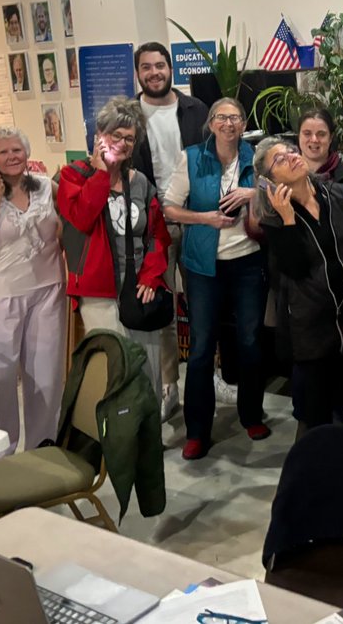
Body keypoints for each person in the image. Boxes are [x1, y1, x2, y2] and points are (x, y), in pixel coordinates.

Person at [162, 98, 269, 459]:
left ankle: (252, 414)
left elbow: (276, 193)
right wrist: (206, 218)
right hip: (203, 267)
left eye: (236, 117)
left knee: (251, 341)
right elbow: (170, 208)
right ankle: (197, 430)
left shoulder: (256, 157)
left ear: (243, 124)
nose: (229, 124)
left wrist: (253, 192)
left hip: (247, 262)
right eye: (222, 117)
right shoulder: (191, 157)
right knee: (202, 347)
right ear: (210, 123)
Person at [253, 137, 343, 434]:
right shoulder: (273, 219)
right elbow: (294, 269)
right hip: (312, 334)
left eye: (291, 152)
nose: (293, 157)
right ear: (269, 180)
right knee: (316, 423)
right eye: (280, 160)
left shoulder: (338, 194)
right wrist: (287, 220)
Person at [57, 96, 171, 406]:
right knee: (113, 370)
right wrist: (101, 174)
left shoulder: (141, 183)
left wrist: (152, 275)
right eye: (115, 135)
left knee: (148, 370)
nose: (121, 143)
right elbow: (81, 218)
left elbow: (157, 236)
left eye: (129, 138)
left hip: (138, 289)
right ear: (99, 136)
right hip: (99, 292)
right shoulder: (73, 176)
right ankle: (117, 444)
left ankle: (148, 442)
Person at [0, 127, 66, 454]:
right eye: (4, 152)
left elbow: (67, 234)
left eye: (17, 150)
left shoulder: (48, 187)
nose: (12, 156)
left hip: (47, 292)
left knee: (47, 377)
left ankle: (42, 449)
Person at [131, 42, 211, 419]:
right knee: (161, 306)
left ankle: (207, 376)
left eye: (160, 65)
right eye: (146, 67)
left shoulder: (196, 110)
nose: (154, 73)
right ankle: (168, 384)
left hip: (193, 219)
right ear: (138, 73)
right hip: (152, 227)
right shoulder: (128, 115)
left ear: (170, 68)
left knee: (201, 301)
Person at [297, 108, 343, 186]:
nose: (314, 140)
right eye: (307, 133)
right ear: (299, 136)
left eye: (321, 134)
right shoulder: (284, 175)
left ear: (330, 138)